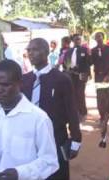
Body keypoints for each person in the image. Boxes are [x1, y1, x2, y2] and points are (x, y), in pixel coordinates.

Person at [0, 60, 59, 180]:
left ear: (20, 84)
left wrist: (20, 173)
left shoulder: (38, 118)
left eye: (5, 85)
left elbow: (49, 161)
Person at [22, 38, 82, 180]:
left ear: (46, 51)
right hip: (29, 140)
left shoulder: (61, 79)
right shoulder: (25, 80)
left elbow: (72, 111)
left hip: (55, 138)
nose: (31, 53)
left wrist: (75, 140)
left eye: (35, 50)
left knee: (55, 175)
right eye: (29, 50)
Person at [64, 34, 91, 122]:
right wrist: (67, 70)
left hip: (81, 75)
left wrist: (87, 74)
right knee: (72, 94)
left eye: (79, 39)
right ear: (73, 41)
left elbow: (88, 63)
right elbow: (66, 62)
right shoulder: (69, 51)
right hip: (71, 75)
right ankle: (75, 112)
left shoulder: (84, 50)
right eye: (76, 39)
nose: (77, 41)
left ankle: (83, 112)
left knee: (80, 94)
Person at [90, 32, 109, 124]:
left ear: (103, 38)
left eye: (99, 36)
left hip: (107, 75)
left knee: (107, 97)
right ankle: (102, 116)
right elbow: (91, 62)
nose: (98, 38)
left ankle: (107, 117)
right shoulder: (93, 50)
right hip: (98, 77)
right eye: (96, 37)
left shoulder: (108, 49)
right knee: (100, 97)